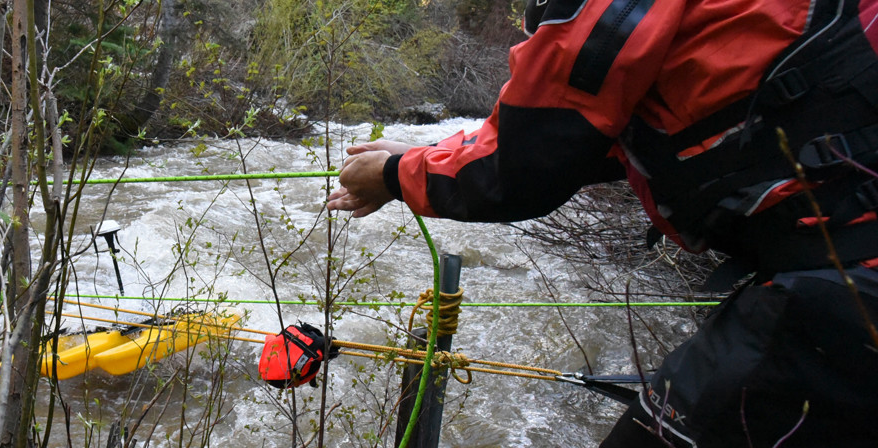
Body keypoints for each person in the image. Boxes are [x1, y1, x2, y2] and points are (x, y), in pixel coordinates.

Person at [326, 0, 878, 446]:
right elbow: (597, 138)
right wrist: (425, 153)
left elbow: (527, 161)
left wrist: (397, 174)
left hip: (841, 285)